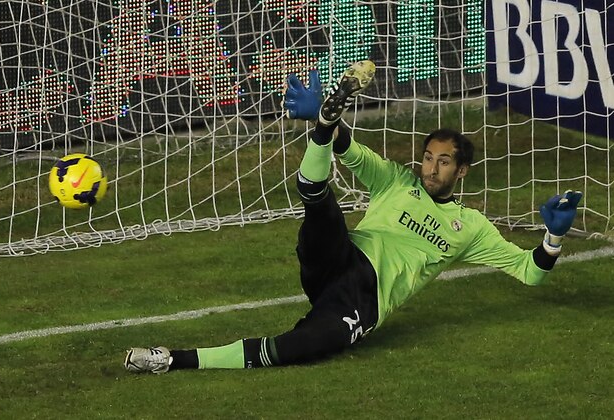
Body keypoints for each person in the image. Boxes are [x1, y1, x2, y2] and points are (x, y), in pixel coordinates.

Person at [124, 61, 582, 374]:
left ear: (461, 170)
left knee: (299, 349)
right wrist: (328, 127)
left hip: (363, 299)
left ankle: (169, 360)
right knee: (318, 201)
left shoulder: (472, 227)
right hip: (339, 257)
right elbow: (351, 150)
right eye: (427, 157)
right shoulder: (395, 180)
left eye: (442, 162)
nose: (430, 167)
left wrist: (553, 238)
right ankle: (322, 124)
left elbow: (530, 273)